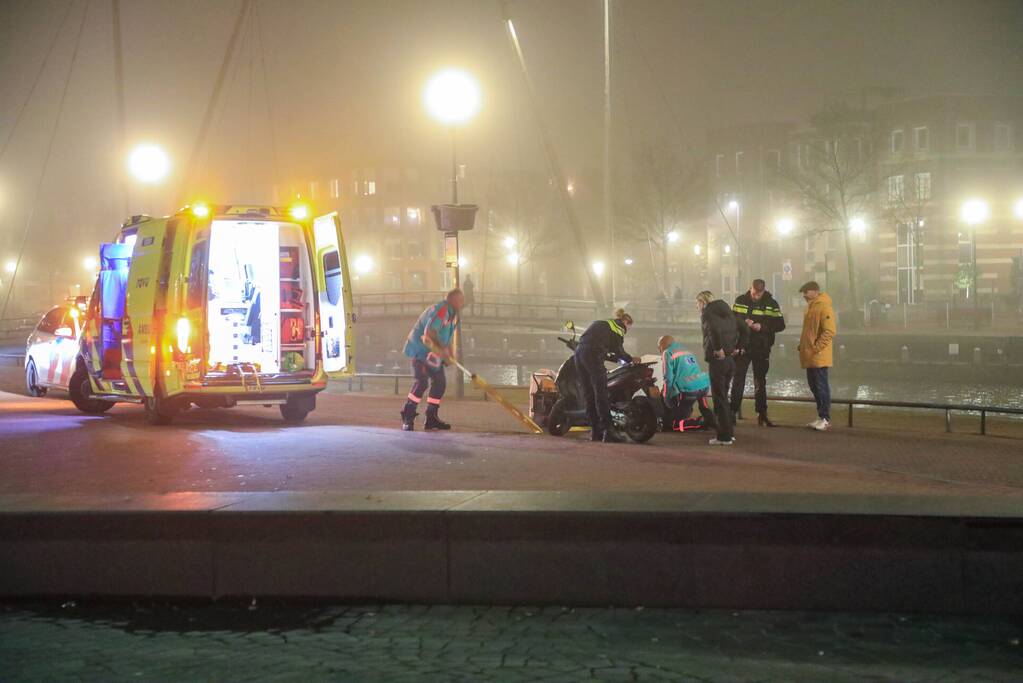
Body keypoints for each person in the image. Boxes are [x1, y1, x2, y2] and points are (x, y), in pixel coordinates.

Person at [399, 289, 465, 431]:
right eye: (461, 300)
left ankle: (431, 417)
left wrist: (450, 355)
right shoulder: (442, 310)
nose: (463, 303)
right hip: (421, 351)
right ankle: (408, 414)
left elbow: (447, 337)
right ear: (453, 300)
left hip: (434, 354)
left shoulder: (453, 315)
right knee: (421, 382)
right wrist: (444, 350)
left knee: (440, 383)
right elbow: (430, 332)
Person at [574, 308, 637, 443]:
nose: (626, 331)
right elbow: (619, 351)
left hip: (579, 354)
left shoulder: (602, 323)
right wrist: (631, 359)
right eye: (628, 328)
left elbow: (604, 347)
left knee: (589, 394)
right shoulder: (618, 328)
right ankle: (609, 431)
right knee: (601, 393)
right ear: (625, 322)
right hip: (593, 355)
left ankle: (595, 431)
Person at [729, 278, 786, 426]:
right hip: (743, 346)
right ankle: (732, 412)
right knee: (738, 379)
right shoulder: (740, 300)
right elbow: (731, 320)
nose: (756, 296)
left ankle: (762, 413)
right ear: (750, 288)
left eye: (758, 294)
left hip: (761, 347)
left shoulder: (771, 304)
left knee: (760, 381)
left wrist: (762, 327)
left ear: (763, 291)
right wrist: (743, 324)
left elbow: (780, 324)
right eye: (754, 293)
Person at [697, 290, 748, 446]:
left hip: (718, 360)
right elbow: (745, 329)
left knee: (719, 398)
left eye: (697, 303)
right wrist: (739, 347)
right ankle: (728, 433)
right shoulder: (729, 313)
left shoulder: (708, 313)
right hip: (730, 360)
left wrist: (718, 348)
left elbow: (713, 330)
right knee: (724, 397)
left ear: (703, 302)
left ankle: (724, 436)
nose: (697, 307)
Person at [797, 281, 836, 431]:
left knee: (821, 387)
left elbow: (829, 331)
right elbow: (809, 331)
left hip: (818, 356)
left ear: (815, 291)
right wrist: (803, 346)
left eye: (806, 292)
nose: (804, 296)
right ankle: (821, 416)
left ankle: (825, 418)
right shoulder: (810, 308)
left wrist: (815, 348)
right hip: (810, 355)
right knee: (815, 386)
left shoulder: (824, 307)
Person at [658, 335, 716, 432]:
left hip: (688, 389)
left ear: (664, 344)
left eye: (659, 346)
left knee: (676, 425)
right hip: (703, 385)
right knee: (704, 406)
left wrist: (666, 397)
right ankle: (713, 421)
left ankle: (699, 423)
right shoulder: (686, 351)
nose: (659, 350)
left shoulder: (667, 353)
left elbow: (668, 378)